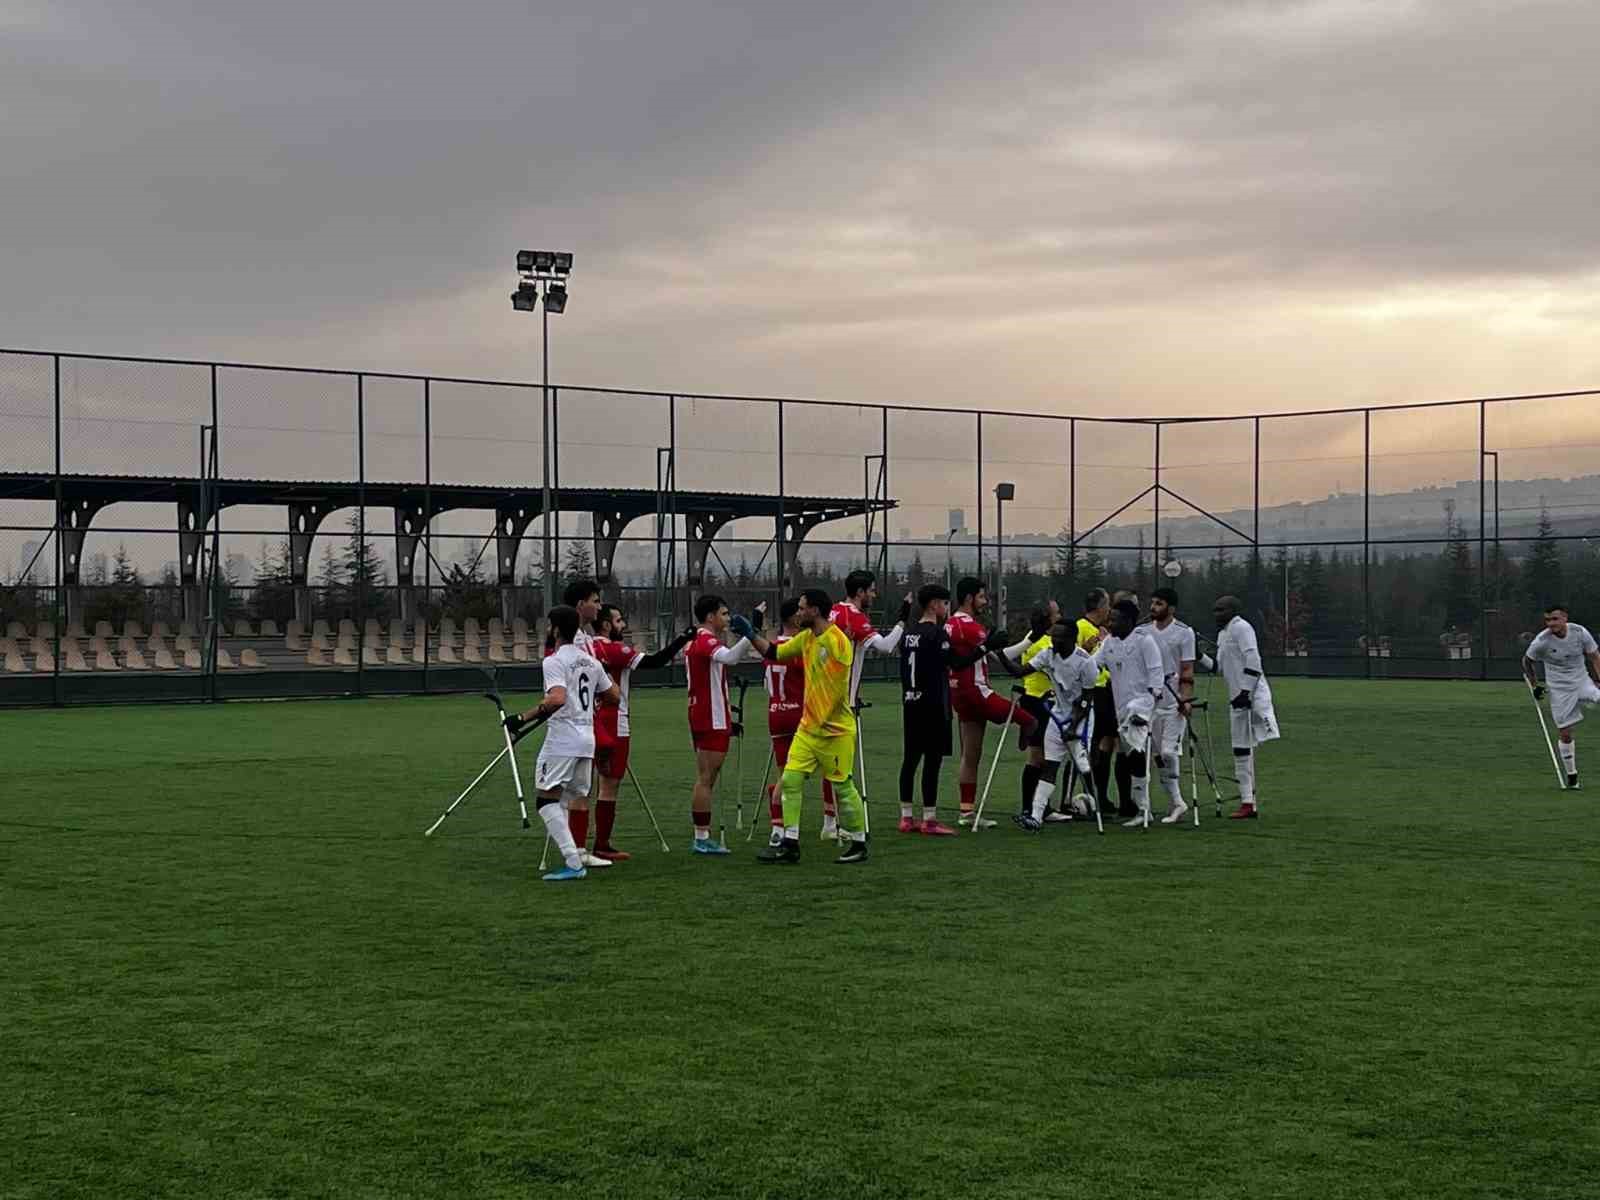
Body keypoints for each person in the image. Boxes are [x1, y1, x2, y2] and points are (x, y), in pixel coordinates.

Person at [755, 589, 870, 865]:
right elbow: (776, 652)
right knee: (791, 781)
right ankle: (790, 843)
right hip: (808, 730)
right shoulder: (806, 637)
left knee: (843, 786)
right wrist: (750, 633)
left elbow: (835, 689)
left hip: (835, 731)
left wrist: (820, 718)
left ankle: (859, 842)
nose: (799, 613)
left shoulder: (837, 642)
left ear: (815, 611)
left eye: (803, 608)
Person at [506, 605, 620, 882]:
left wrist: (522, 717)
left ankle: (573, 861)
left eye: (549, 626)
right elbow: (614, 695)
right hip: (586, 739)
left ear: (556, 630)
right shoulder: (590, 661)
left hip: (563, 740)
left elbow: (556, 699)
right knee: (568, 798)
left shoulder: (554, 661)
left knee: (546, 800)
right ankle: (577, 854)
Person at [585, 605, 693, 860]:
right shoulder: (614, 649)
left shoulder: (585, 647)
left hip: (587, 720)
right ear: (606, 626)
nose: (623, 626)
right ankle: (601, 844)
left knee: (583, 786)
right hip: (614, 723)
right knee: (608, 787)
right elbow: (655, 662)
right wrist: (683, 638)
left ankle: (579, 842)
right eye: (619, 621)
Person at [898, 583, 1000, 836]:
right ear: (934, 604)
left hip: (910, 702)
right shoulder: (937, 633)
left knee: (910, 760)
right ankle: (930, 819)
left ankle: (906, 816)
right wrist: (985, 648)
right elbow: (957, 663)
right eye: (944, 604)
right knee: (932, 761)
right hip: (933, 704)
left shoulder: (910, 633)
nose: (946, 609)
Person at [819, 570, 910, 840]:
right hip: (839, 702)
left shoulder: (832, 611)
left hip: (819, 697)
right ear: (859, 592)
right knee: (838, 765)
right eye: (871, 590)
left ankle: (826, 822)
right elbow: (885, 647)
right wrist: (903, 619)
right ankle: (834, 825)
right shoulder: (854, 617)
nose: (874, 595)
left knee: (823, 763)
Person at [948, 576, 1035, 827]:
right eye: (982, 597)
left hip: (958, 693)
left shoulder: (951, 623)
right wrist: (1030, 639)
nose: (985, 602)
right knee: (1030, 720)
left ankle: (966, 813)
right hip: (977, 691)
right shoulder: (970, 626)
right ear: (969, 598)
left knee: (970, 754)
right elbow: (1001, 656)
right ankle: (1026, 740)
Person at [1006, 622, 1100, 830]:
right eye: (1053, 636)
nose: (1054, 641)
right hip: (1057, 716)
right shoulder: (1048, 654)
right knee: (1050, 765)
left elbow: (1086, 701)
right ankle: (1036, 816)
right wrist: (1001, 655)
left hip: (1081, 719)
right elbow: (1020, 671)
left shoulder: (1086, 662)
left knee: (1083, 766)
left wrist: (1073, 728)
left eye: (1060, 637)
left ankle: (1096, 804)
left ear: (1072, 639)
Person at [684, 593, 759, 854]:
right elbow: (730, 658)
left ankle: (702, 835)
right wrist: (751, 634)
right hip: (709, 716)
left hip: (709, 714)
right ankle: (701, 837)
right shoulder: (704, 639)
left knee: (708, 776)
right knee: (706, 777)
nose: (727, 618)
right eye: (724, 614)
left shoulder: (700, 639)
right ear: (710, 616)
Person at [1091, 599, 1165, 828]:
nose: (1110, 624)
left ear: (1130, 621)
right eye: (1109, 619)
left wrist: (1151, 702)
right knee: (1130, 756)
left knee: (1135, 755)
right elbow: (1092, 665)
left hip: (1140, 707)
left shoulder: (1145, 641)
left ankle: (1143, 809)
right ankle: (1139, 807)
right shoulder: (1109, 643)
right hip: (1120, 708)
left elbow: (1156, 674)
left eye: (1115, 620)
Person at [1214, 594, 1279, 819]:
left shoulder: (1242, 628)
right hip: (1237, 700)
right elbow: (1218, 668)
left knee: (1245, 748)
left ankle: (1248, 801)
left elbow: (1254, 661)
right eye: (1215, 610)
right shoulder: (1223, 634)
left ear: (1233, 610)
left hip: (1251, 697)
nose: (1217, 614)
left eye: (1221, 610)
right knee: (1241, 749)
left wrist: (1245, 691)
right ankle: (1248, 802)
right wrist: (1198, 655)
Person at [1523, 602, 1600, 789]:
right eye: (1548, 620)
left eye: (1555, 619)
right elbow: (1527, 661)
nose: (1551, 623)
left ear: (1565, 617)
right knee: (1565, 733)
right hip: (1559, 690)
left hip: (1582, 681)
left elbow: (1595, 656)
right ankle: (1572, 777)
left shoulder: (1579, 632)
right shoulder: (1542, 641)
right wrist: (1535, 686)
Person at [1143, 586, 1197, 824]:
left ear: (1171, 608)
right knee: (1156, 755)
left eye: (1159, 603)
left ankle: (1177, 801)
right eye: (1153, 602)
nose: (1153, 607)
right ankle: (1176, 802)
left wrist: (1185, 699)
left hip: (1173, 703)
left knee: (1168, 752)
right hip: (1150, 703)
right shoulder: (1142, 631)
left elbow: (1187, 668)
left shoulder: (1184, 633)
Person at [761, 598, 807, 843]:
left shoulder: (771, 647)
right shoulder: (799, 647)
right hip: (798, 714)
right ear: (794, 618)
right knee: (800, 774)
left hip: (775, 713)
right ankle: (834, 823)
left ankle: (778, 827)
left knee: (784, 774)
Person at [1076, 588, 1115, 815]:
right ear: (1100, 607)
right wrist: (1087, 647)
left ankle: (1101, 795)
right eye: (1107, 604)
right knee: (1091, 746)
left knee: (1106, 744)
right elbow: (1073, 658)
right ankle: (1090, 796)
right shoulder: (1081, 628)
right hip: (1092, 693)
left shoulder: (1102, 630)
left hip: (1106, 691)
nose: (1109, 609)